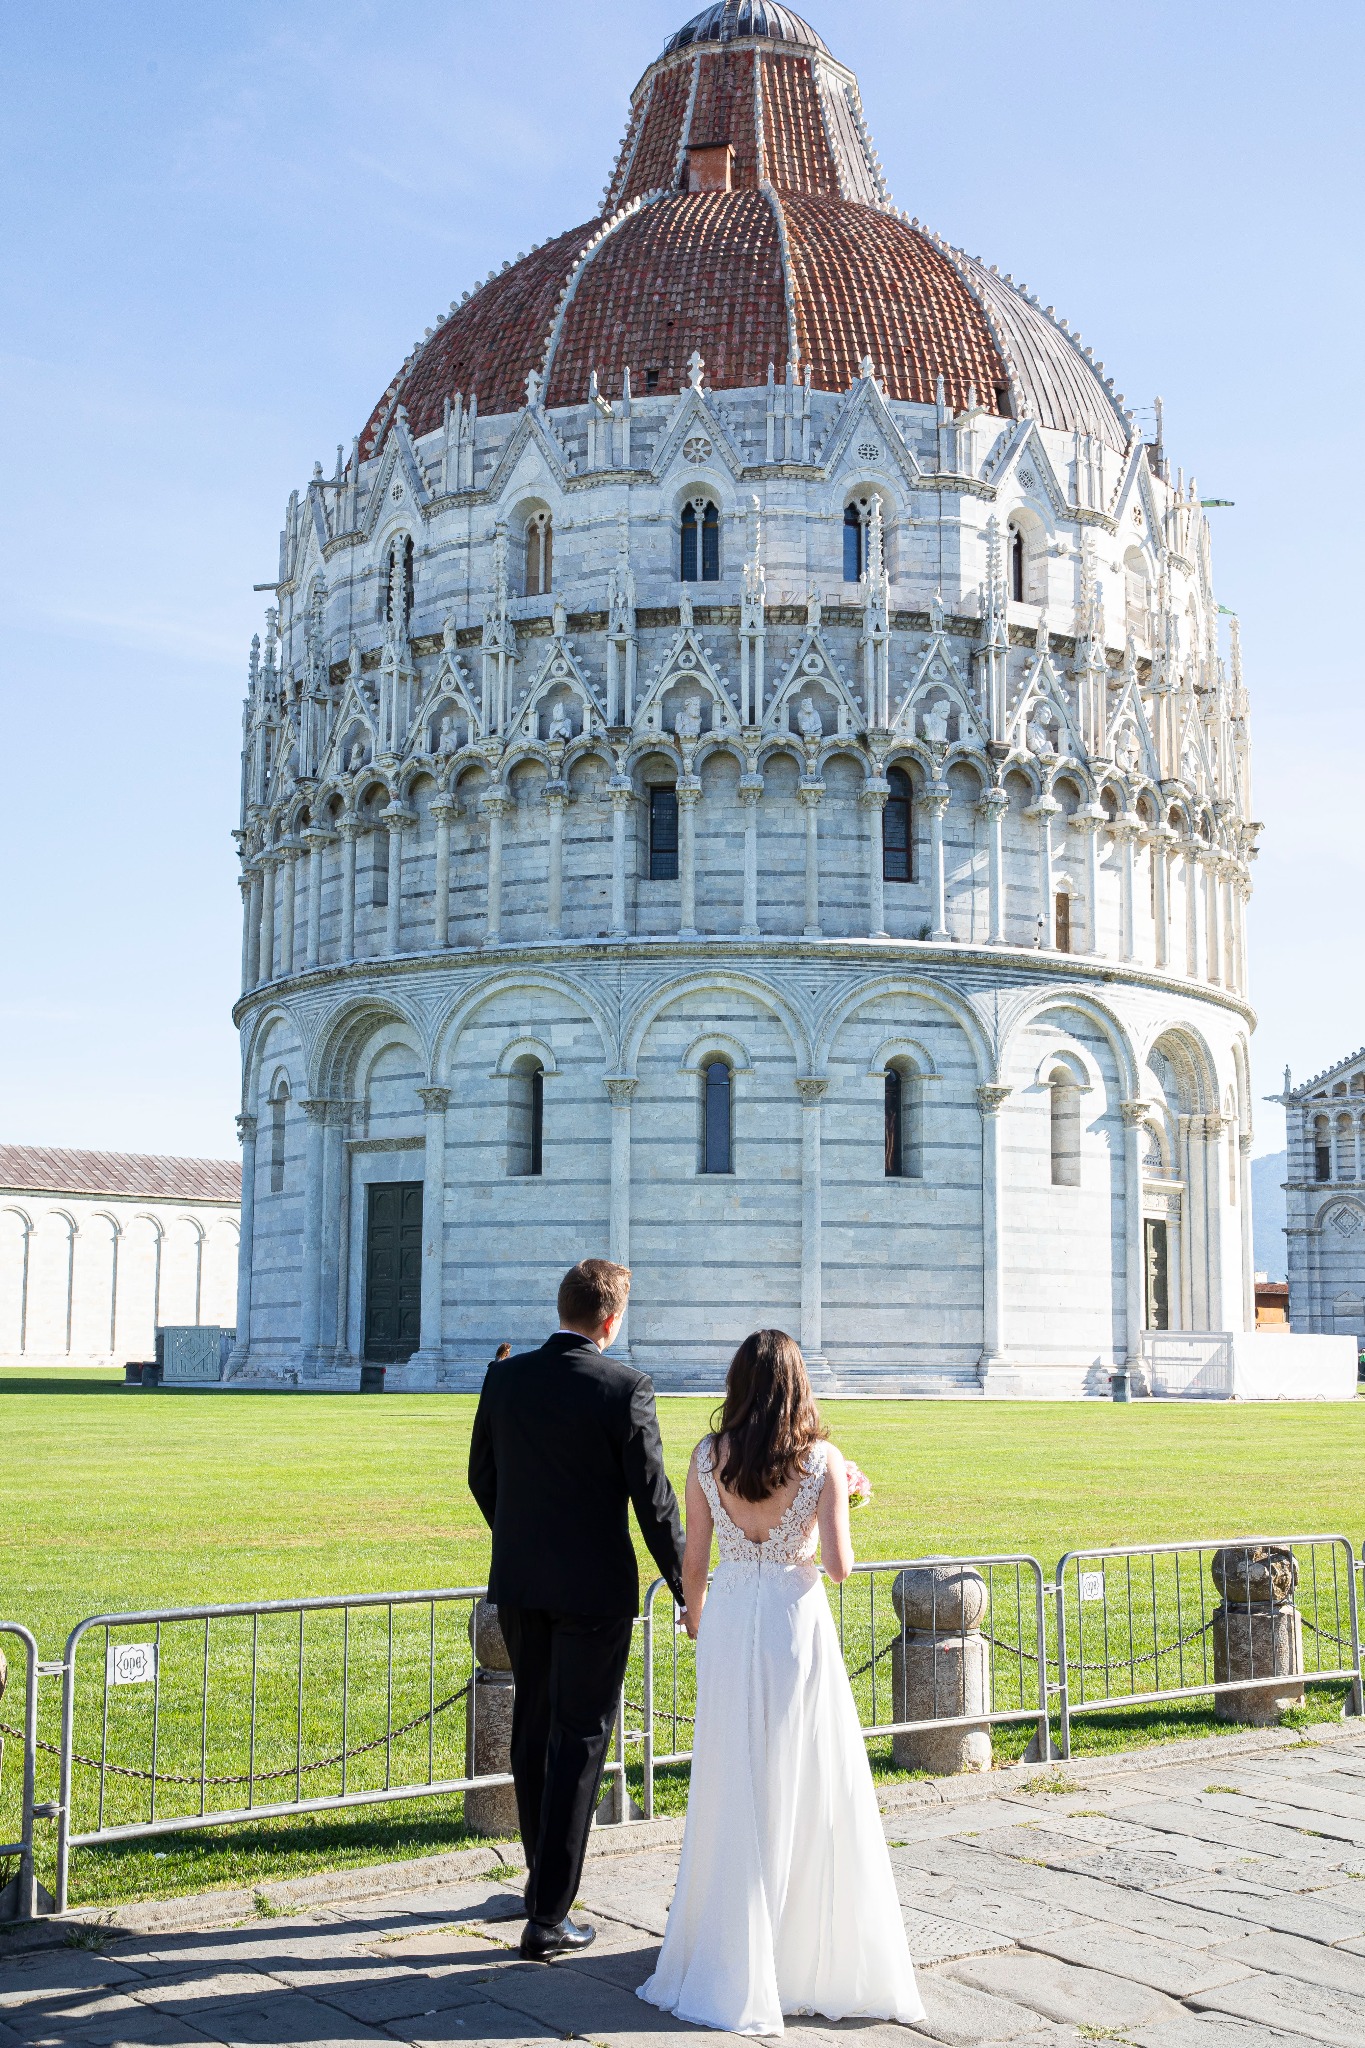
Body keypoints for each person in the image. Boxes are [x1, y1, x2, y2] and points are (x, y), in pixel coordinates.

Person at [637, 1330, 924, 2037]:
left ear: (737, 1383)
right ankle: (801, 1947)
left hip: (732, 1613)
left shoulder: (707, 1457)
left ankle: (729, 1943)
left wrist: (695, 1618)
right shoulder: (820, 1459)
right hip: (794, 1619)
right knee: (806, 1773)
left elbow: (694, 1558)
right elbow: (839, 1568)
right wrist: (844, 1499)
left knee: (733, 1775)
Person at [468, 1259, 685, 1962]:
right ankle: (548, 1915)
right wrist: (686, 1583)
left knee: (533, 1732)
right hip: (594, 1589)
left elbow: (481, 1476)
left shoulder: (505, 1379)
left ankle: (542, 1884)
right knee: (580, 1740)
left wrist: (520, 1539)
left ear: (561, 1308)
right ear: (611, 1321)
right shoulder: (625, 1387)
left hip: (521, 1583)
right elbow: (653, 1501)